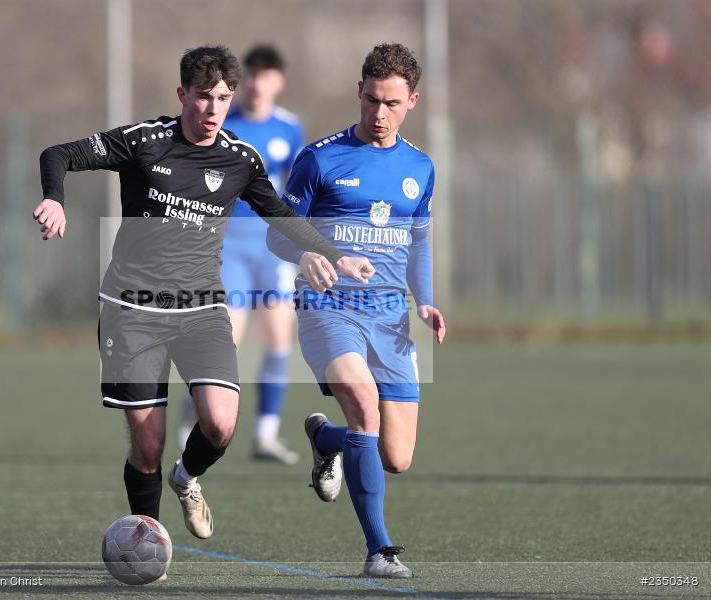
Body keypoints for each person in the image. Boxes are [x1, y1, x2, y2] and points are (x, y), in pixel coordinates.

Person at [34, 45, 373, 541]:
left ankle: (187, 477)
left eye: (223, 98)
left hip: (202, 308)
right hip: (133, 309)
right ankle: (147, 540)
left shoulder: (240, 158)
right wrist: (54, 198)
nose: (213, 109)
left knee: (220, 424)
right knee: (147, 446)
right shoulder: (145, 141)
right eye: (203, 96)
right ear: (182, 94)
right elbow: (59, 154)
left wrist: (333, 255)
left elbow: (280, 214)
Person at [267, 43, 446, 578]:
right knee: (364, 406)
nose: (379, 113)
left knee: (397, 457)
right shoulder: (320, 159)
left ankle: (326, 438)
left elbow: (419, 243)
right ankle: (379, 551)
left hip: (391, 318)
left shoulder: (420, 167)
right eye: (371, 100)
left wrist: (426, 299)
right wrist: (308, 255)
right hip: (329, 308)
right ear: (359, 92)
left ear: (412, 101)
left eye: (392, 103)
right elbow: (278, 235)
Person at [177, 45, 305, 464]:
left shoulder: (290, 128)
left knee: (279, 336)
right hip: (229, 245)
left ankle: (265, 434)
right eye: (250, 76)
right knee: (226, 339)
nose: (256, 84)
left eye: (265, 76)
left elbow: (295, 188)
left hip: (273, 247)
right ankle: (194, 412)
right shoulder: (223, 123)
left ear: (278, 82)